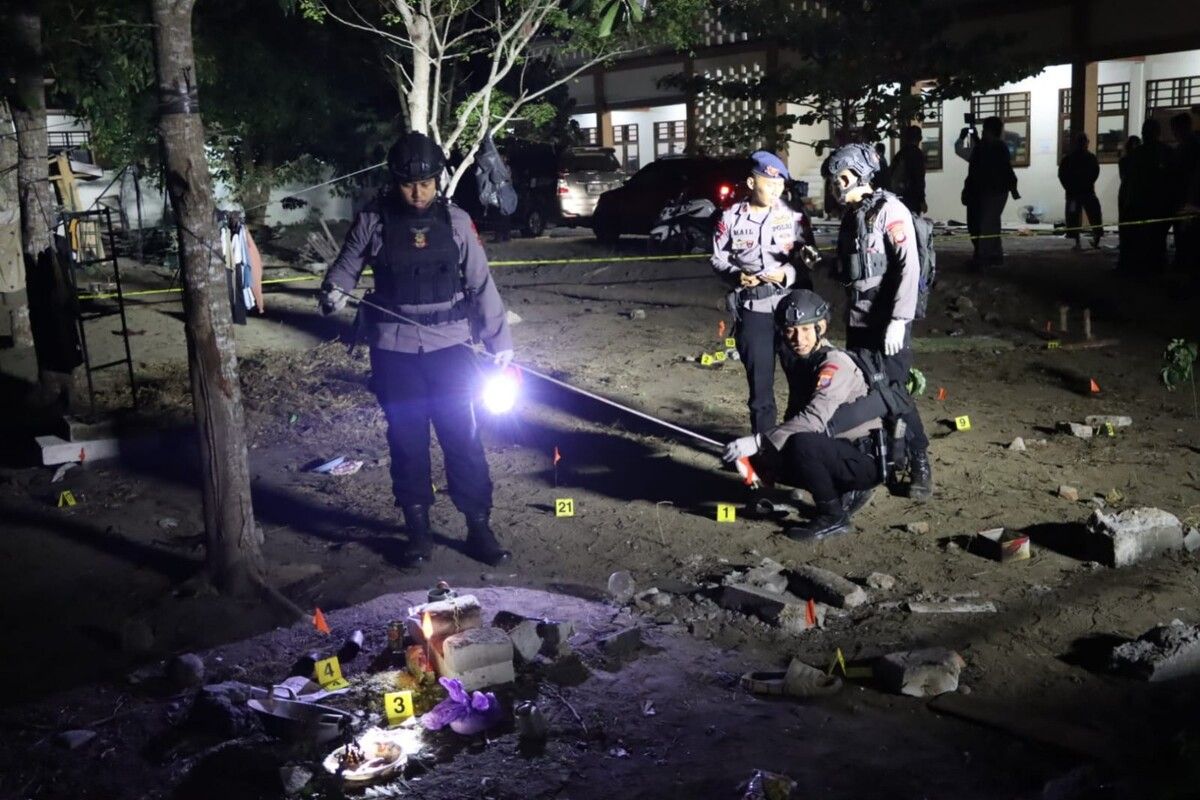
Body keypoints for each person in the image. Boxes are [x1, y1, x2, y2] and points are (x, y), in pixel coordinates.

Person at [318, 132, 515, 566]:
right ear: (395, 181)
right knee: (407, 440)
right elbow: (347, 265)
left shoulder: (458, 222)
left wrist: (500, 342)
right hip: (395, 351)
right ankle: (417, 530)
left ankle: (478, 526)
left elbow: (481, 283)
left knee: (461, 437)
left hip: (452, 348)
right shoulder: (374, 219)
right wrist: (334, 290)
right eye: (409, 183)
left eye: (426, 182)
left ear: (437, 180)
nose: (418, 191)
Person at [722, 289, 892, 541]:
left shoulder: (835, 364)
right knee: (763, 458)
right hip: (837, 449)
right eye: (790, 330)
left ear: (820, 327)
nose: (797, 338)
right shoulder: (806, 361)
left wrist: (757, 441)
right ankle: (837, 491)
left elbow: (812, 420)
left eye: (805, 329)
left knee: (800, 443)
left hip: (862, 460)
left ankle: (834, 516)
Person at [819, 143, 932, 500]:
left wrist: (900, 319)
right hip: (859, 319)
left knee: (894, 392)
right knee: (867, 390)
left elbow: (908, 267)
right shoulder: (854, 217)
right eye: (835, 180)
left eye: (841, 177)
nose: (836, 186)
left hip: (887, 323)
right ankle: (885, 459)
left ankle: (920, 461)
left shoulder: (890, 210)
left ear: (856, 174)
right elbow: (853, 271)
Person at [712, 150, 816, 435]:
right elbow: (717, 258)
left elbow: (810, 260)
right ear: (750, 183)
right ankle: (765, 452)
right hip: (753, 312)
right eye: (769, 184)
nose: (775, 190)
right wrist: (735, 274)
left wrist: (786, 274)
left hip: (791, 312)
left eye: (780, 185)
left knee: (802, 383)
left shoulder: (793, 217)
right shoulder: (730, 218)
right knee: (760, 391)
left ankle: (798, 443)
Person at [955, 116, 1019, 268]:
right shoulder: (996, 147)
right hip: (995, 191)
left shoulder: (990, 148)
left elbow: (973, 157)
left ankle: (983, 259)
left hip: (990, 192)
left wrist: (963, 138)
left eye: (985, 130)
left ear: (990, 131)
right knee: (991, 225)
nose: (983, 132)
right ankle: (994, 256)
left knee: (985, 226)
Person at [1119, 119, 1173, 275]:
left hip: (1143, 204)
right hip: (1156, 204)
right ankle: (1154, 268)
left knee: (1144, 238)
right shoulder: (1164, 152)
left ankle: (1145, 268)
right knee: (1155, 239)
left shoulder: (1139, 155)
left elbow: (1129, 181)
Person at [1058, 132, 1103, 250]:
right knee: (1093, 215)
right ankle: (1093, 239)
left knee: (1075, 216)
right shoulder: (1089, 158)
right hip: (1086, 192)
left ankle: (1078, 241)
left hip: (1075, 193)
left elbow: (1062, 175)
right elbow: (1095, 173)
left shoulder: (1068, 159)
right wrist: (1087, 183)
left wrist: (1069, 187)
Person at [1169, 112, 1200, 274]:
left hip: (1189, 200)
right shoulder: (1185, 146)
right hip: (1183, 198)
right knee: (1183, 235)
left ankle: (1186, 271)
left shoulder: (1190, 146)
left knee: (1187, 236)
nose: (1174, 133)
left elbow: (1186, 175)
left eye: (1175, 129)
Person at [891, 125, 927, 214]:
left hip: (898, 196)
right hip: (912, 197)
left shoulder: (900, 154)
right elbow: (919, 179)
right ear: (920, 138)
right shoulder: (917, 154)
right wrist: (922, 200)